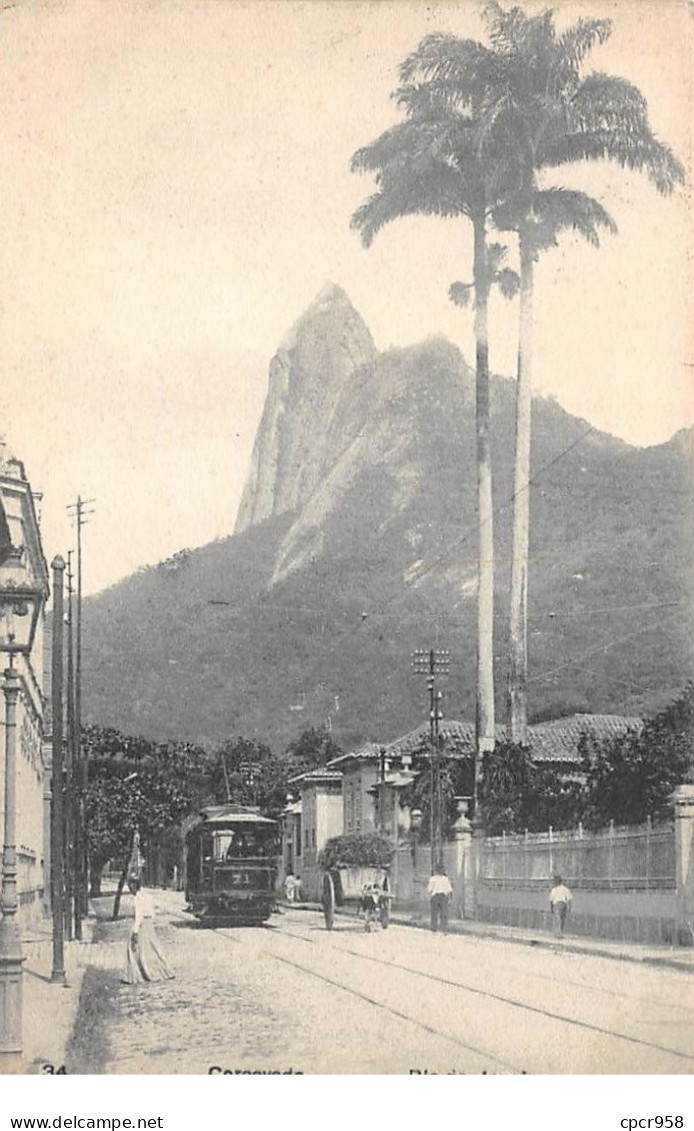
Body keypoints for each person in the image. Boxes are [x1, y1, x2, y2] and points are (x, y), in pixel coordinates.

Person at [122, 879, 175, 984]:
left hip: (142, 925)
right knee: (153, 948)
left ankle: (136, 975)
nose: (129, 889)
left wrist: (135, 931)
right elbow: (152, 912)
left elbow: (139, 916)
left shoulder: (138, 898)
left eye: (130, 886)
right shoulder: (148, 896)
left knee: (134, 949)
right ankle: (164, 971)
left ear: (134, 886)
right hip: (149, 924)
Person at [427, 863, 453, 933]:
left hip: (436, 896)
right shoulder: (445, 879)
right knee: (443, 913)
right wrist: (450, 899)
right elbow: (449, 890)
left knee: (434, 913)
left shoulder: (433, 879)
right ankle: (443, 928)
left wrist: (429, 895)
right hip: (443, 896)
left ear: (436, 871)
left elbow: (429, 889)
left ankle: (434, 927)